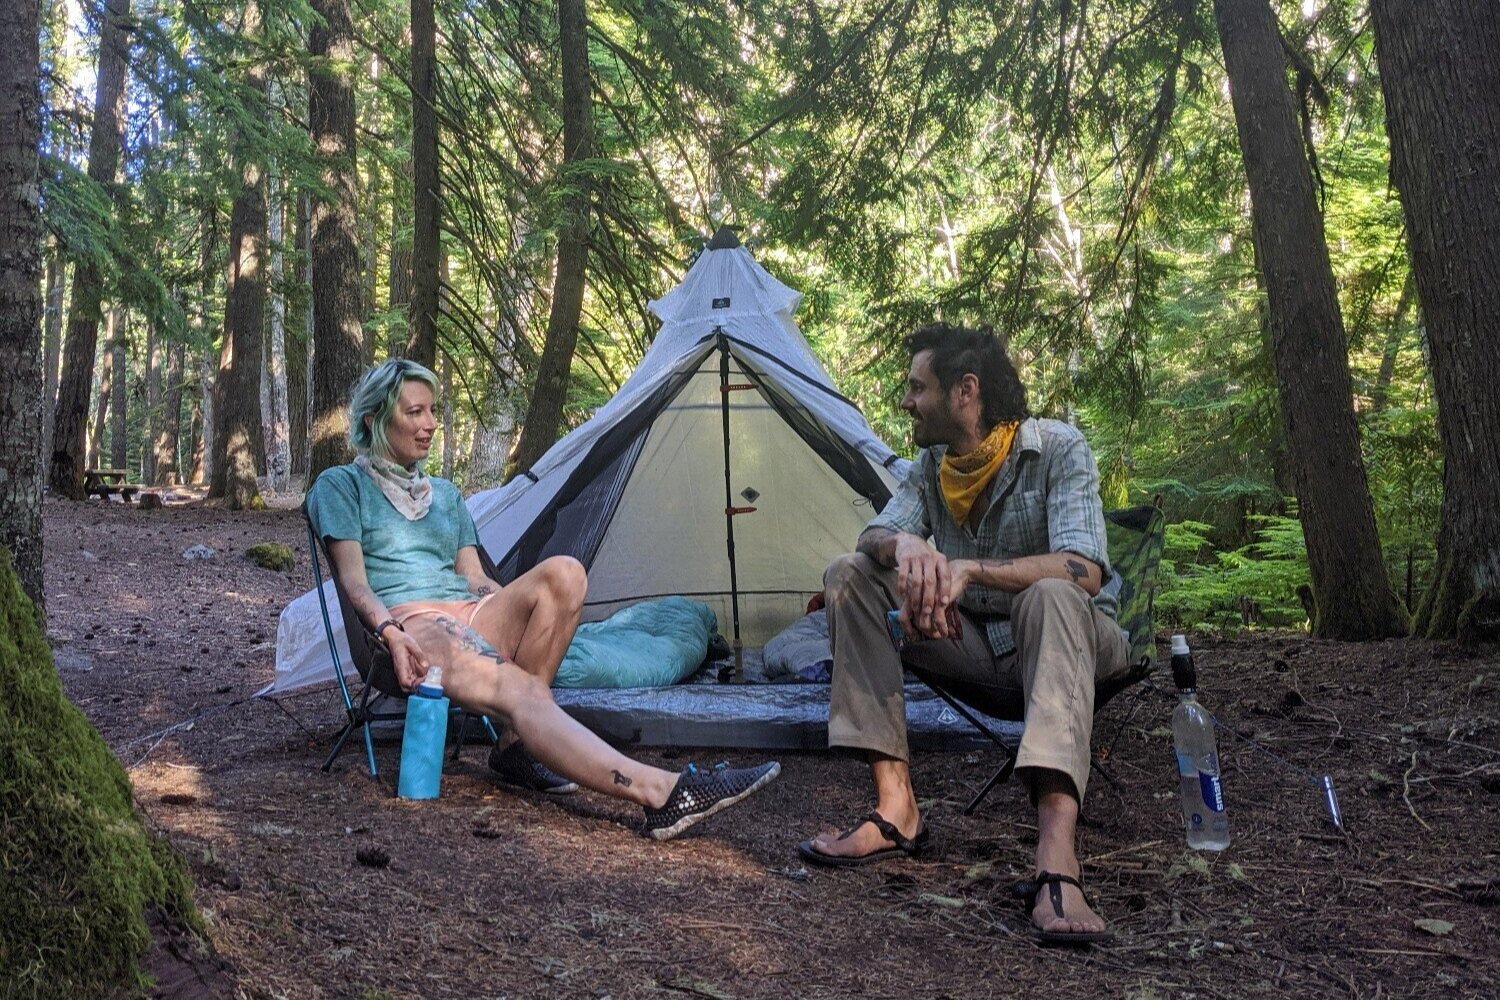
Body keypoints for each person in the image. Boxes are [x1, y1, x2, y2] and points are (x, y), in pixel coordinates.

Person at [309, 358, 779, 839]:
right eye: (414, 412)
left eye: (434, 411)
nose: (430, 424)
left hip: (467, 611)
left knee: (566, 574)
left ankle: (516, 742)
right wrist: (390, 632)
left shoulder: (445, 495)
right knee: (527, 691)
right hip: (413, 622)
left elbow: (473, 577)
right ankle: (661, 792)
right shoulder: (341, 486)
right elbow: (355, 584)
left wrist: (511, 612)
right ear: (373, 419)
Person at [797, 323, 1128, 944]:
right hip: (974, 646)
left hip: (1076, 644)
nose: (906, 402)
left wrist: (971, 569)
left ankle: (1058, 856)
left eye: (917, 387)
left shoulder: (1057, 447)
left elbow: (1083, 569)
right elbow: (870, 539)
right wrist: (906, 545)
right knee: (848, 575)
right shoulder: (929, 469)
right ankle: (896, 808)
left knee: (1050, 594)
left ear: (964, 391)